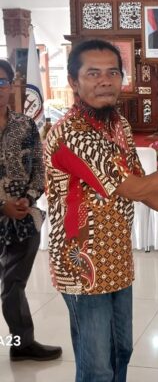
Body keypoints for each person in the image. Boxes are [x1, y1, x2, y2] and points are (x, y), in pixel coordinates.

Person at [44, 39, 158, 382]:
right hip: (82, 267)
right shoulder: (70, 134)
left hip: (116, 259)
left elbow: (144, 189)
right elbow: (134, 188)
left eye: (113, 72)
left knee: (121, 352)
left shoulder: (119, 125)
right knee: (97, 368)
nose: (105, 81)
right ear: (73, 82)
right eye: (93, 73)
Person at [0, 59, 62, 362]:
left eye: (2, 82)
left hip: (23, 219)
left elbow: (40, 169)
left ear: (11, 86)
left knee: (14, 286)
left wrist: (28, 198)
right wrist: (2, 207)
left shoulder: (25, 125)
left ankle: (21, 344)